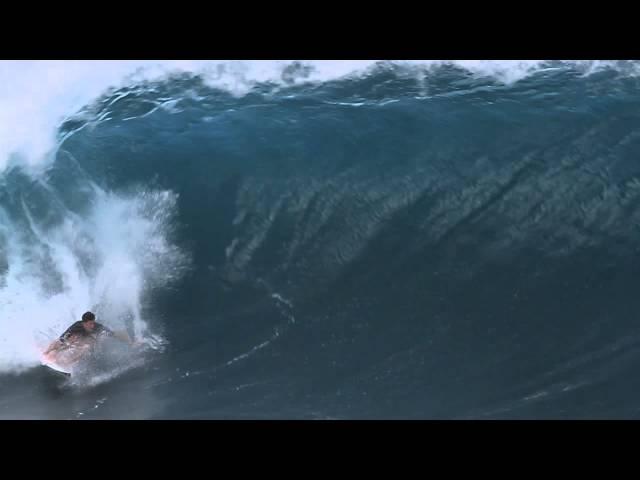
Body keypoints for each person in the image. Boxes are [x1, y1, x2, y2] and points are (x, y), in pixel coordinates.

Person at [44, 311, 134, 357]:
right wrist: (56, 347)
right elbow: (62, 338)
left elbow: (113, 334)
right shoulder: (76, 326)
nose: (92, 325)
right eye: (90, 323)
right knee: (63, 342)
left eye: (93, 323)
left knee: (86, 347)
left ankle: (69, 364)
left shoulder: (96, 326)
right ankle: (47, 352)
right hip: (77, 337)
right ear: (84, 322)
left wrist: (130, 342)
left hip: (89, 339)